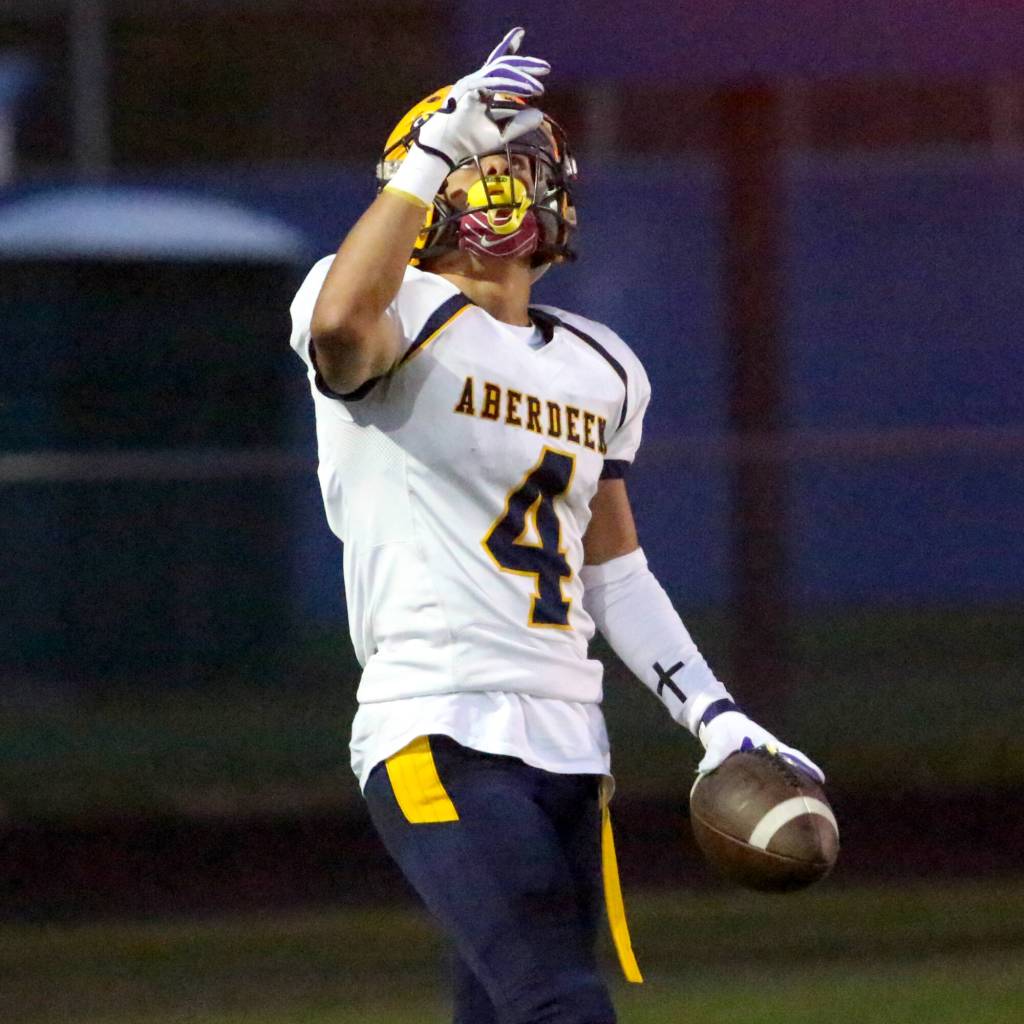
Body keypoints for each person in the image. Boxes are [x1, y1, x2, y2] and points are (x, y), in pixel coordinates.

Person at [288, 27, 823, 1024]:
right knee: (559, 1003)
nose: (510, 185)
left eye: (523, 165)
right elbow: (336, 331)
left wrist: (713, 714)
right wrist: (431, 149)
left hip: (569, 741)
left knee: (503, 1011)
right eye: (484, 164)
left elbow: (612, 570)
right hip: (437, 722)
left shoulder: (602, 363)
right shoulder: (385, 303)